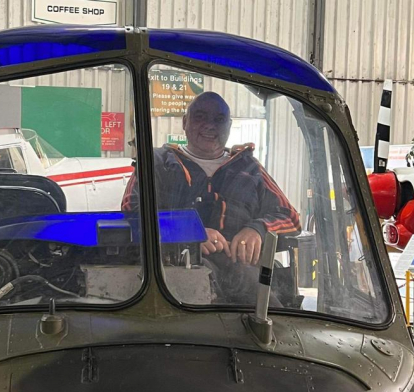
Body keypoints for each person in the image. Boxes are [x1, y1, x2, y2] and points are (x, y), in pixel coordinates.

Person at [121, 91, 301, 303]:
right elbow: (132, 211)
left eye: (219, 119)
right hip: (173, 278)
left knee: (274, 322)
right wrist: (189, 232)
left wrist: (257, 229)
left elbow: (290, 216)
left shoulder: (251, 168)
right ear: (185, 122)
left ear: (229, 125)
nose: (209, 125)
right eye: (200, 117)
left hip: (244, 278)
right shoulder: (156, 163)